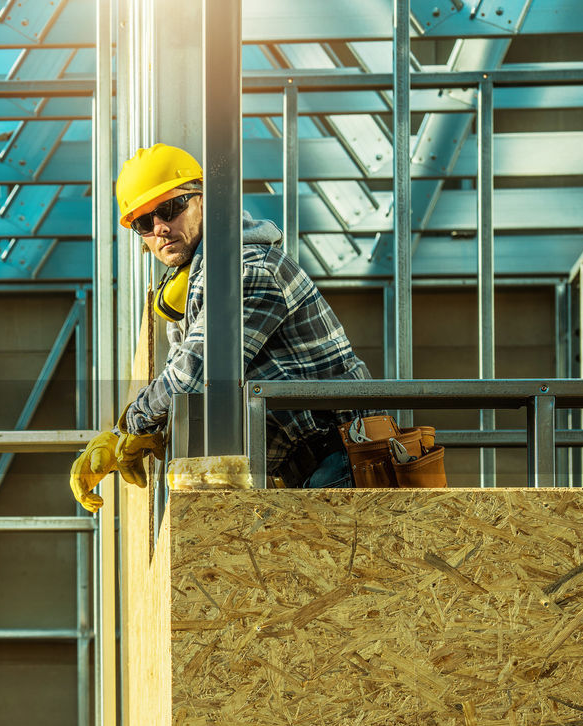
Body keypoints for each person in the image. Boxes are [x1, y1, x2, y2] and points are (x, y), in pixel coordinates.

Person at [70, 143, 375, 512]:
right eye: (143, 223)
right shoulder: (196, 285)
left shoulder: (246, 269)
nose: (160, 228)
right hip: (309, 473)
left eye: (169, 208)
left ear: (205, 200)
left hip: (344, 462)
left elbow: (193, 376)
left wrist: (128, 429)